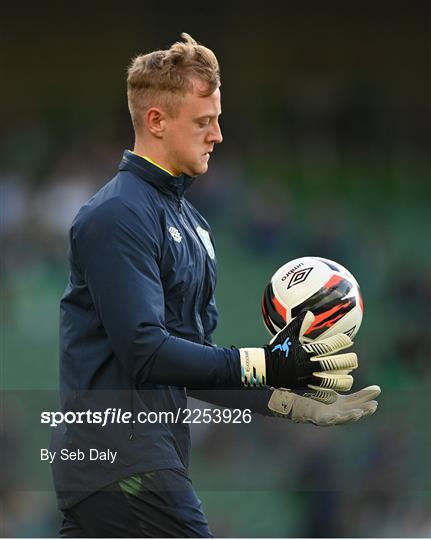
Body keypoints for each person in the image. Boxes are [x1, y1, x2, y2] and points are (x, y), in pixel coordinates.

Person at [52, 33, 380, 537]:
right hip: (123, 464)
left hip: (141, 467)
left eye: (218, 120)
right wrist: (268, 362)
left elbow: (193, 362)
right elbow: (145, 349)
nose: (218, 135)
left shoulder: (196, 226)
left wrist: (285, 398)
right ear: (157, 121)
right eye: (204, 122)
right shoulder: (116, 214)